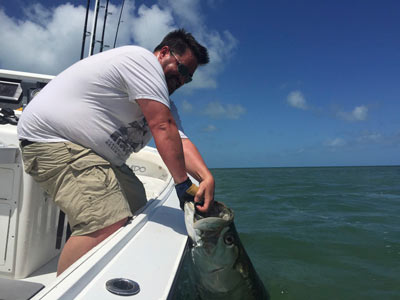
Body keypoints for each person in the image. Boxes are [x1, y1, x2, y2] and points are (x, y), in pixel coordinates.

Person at [17, 29, 215, 275]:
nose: (183, 81)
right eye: (183, 71)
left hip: (100, 157)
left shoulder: (164, 101)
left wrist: (206, 176)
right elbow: (162, 127)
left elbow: (179, 141)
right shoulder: (142, 61)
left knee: (139, 207)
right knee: (106, 221)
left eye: (189, 79)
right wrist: (182, 184)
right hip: (55, 142)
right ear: (164, 53)